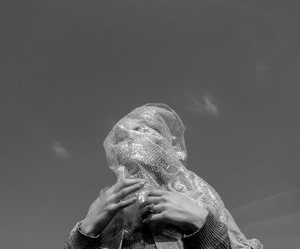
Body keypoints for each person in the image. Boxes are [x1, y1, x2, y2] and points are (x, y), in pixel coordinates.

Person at [64, 103, 262, 249]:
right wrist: (86, 234)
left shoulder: (199, 199)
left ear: (166, 145)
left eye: (142, 130)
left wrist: (202, 225)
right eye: (122, 137)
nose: (131, 139)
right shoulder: (106, 211)